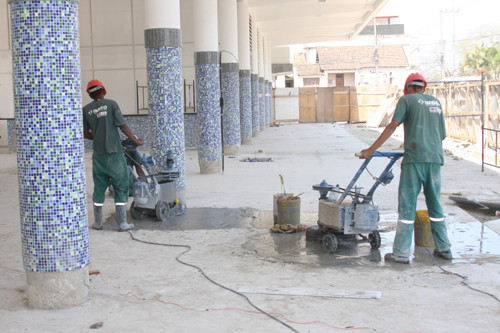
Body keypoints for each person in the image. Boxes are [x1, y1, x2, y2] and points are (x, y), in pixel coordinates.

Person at [358, 73, 452, 264]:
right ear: (423, 88)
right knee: (435, 204)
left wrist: (370, 150)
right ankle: (444, 248)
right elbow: (442, 135)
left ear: (407, 88)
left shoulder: (406, 100)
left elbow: (392, 126)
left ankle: (401, 253)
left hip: (414, 160)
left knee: (408, 206)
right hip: (434, 160)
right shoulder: (436, 102)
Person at [83, 79, 144, 231]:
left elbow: (85, 133)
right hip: (115, 155)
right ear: (103, 91)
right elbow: (123, 126)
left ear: (90, 95)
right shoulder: (111, 104)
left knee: (99, 187)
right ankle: (122, 223)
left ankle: (98, 223)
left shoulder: (85, 110)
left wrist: (96, 137)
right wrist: (136, 140)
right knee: (121, 185)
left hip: (98, 156)